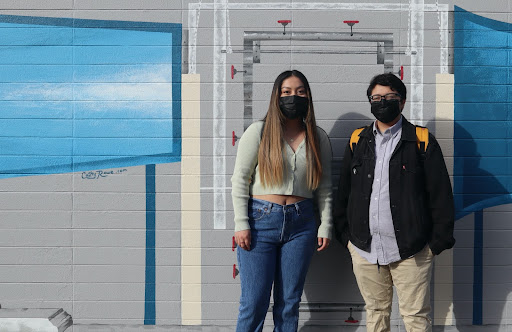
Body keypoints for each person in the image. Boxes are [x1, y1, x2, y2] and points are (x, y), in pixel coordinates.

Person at [333, 72, 455, 332]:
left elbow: (440, 194)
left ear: (402, 102)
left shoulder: (421, 140)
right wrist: (346, 237)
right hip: (365, 249)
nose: (382, 102)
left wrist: (434, 244)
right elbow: (343, 191)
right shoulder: (358, 140)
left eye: (389, 97)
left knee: (415, 318)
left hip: (412, 250)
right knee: (376, 314)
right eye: (376, 97)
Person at [231, 69, 333, 332]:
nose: (293, 97)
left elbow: (325, 188)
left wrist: (325, 226)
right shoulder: (259, 132)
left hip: (302, 224)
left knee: (289, 302)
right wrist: (241, 223)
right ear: (276, 96)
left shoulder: (318, 137)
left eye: (300, 92)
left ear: (308, 97)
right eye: (286, 92)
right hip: (260, 222)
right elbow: (240, 179)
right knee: (254, 302)